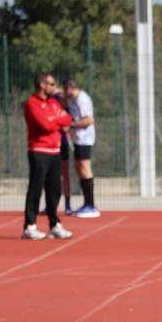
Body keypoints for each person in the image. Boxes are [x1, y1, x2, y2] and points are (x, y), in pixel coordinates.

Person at [22, 73, 73, 240]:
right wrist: (56, 121)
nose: (54, 87)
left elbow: (67, 119)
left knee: (54, 190)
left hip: (55, 151)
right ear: (42, 85)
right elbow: (44, 125)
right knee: (35, 188)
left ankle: (54, 224)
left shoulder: (53, 102)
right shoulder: (32, 103)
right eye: (51, 84)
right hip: (39, 151)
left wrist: (55, 120)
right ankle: (30, 226)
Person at [63, 78, 99, 218]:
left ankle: (91, 205)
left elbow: (89, 120)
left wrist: (71, 126)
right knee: (79, 169)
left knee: (85, 168)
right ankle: (86, 203)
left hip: (85, 138)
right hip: (78, 139)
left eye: (65, 90)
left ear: (70, 88)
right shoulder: (73, 99)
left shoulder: (82, 99)